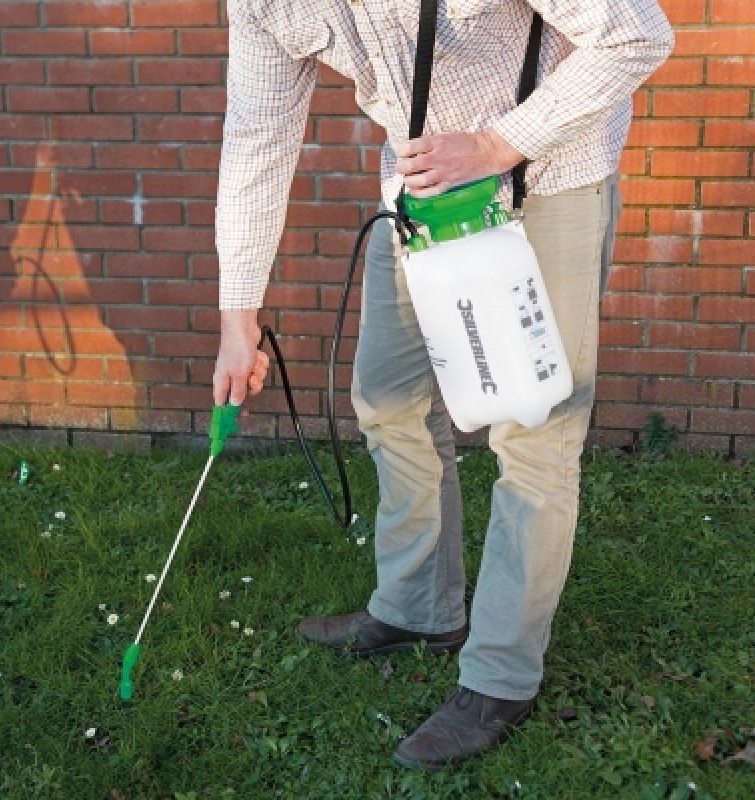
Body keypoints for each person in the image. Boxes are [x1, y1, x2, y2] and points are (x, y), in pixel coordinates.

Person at [213, 0, 673, 771]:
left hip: (549, 178)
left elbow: (637, 33)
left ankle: (499, 678)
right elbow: (258, 134)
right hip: (422, 195)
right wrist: (239, 316)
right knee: (388, 400)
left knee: (533, 431)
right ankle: (419, 607)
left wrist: (495, 144)